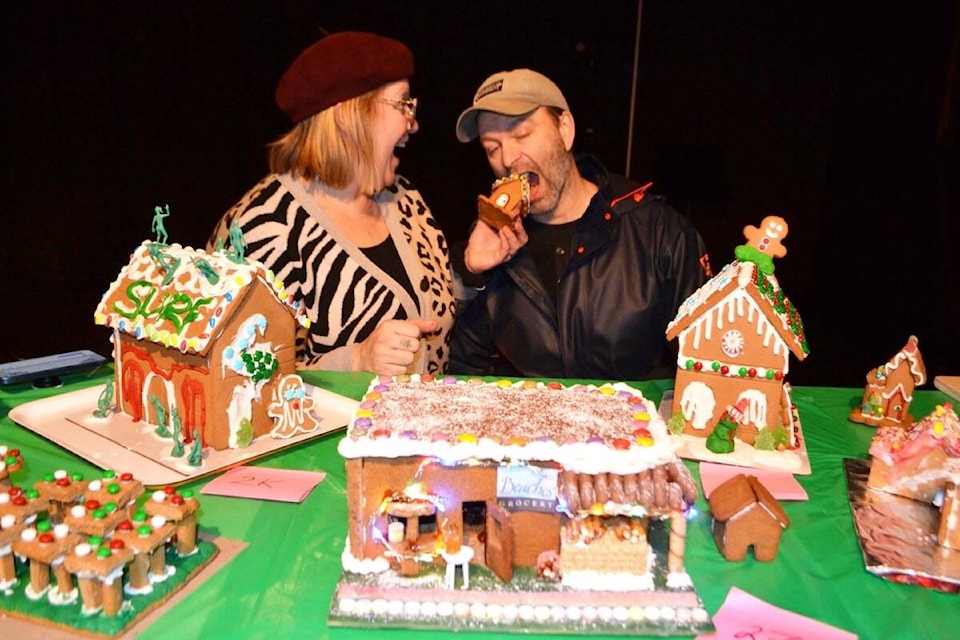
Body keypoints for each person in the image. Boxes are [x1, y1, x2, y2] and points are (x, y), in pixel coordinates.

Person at [207, 31, 455, 376]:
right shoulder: (263, 225)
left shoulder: (404, 198)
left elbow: (432, 315)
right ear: (347, 115)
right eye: (402, 104)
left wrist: (470, 272)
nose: (412, 124)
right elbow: (233, 374)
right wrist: (356, 361)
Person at [449, 68, 711, 380]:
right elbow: (465, 374)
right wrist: (472, 276)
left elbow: (706, 365)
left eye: (521, 134)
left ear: (565, 129)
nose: (507, 158)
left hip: (636, 424)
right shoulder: (492, 241)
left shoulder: (660, 232)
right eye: (492, 147)